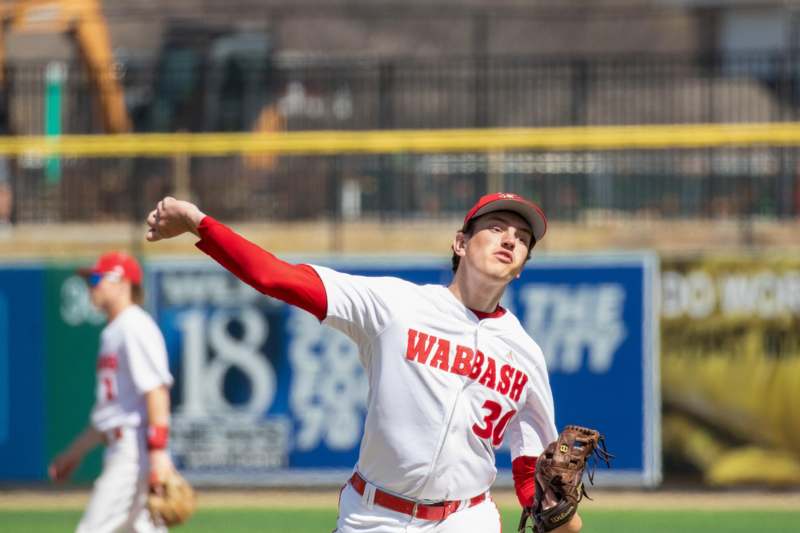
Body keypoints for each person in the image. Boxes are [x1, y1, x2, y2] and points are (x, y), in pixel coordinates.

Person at [145, 193, 581, 533]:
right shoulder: (395, 306)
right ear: (460, 243)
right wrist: (198, 223)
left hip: (466, 518)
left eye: (522, 238)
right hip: (374, 516)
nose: (510, 239)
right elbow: (276, 277)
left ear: (522, 266)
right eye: (496, 227)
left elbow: (532, 468)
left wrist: (552, 509)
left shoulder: (525, 354)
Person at [49, 251, 176, 533]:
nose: (90, 287)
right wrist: (74, 453)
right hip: (123, 446)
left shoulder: (135, 326)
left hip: (134, 451)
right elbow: (109, 414)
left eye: (96, 279)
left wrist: (158, 452)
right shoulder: (115, 331)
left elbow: (156, 391)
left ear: (122, 283)